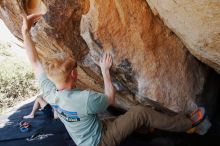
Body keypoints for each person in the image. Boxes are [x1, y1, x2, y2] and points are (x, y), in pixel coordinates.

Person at [21, 13, 210, 146]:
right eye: (75, 69)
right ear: (73, 74)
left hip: (86, 137)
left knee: (122, 119)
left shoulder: (49, 90)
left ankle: (149, 127)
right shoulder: (84, 99)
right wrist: (105, 71)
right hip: (100, 141)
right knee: (139, 113)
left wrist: (25, 32)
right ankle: (186, 125)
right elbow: (110, 98)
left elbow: (34, 61)